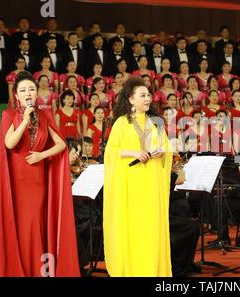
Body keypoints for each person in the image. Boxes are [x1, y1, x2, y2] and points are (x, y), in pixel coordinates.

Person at [0, 71, 79, 276]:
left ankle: (37, 270)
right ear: (16, 95)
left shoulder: (45, 115)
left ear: (37, 92)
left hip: (38, 177)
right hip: (17, 179)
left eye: (31, 89)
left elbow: (61, 144)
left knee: (37, 223)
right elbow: (9, 144)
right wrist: (24, 120)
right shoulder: (9, 115)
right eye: (23, 90)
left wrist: (42, 155)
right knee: (20, 224)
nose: (27, 92)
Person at [103, 77, 173, 276]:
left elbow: (166, 148)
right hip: (131, 186)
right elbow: (110, 154)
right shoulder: (120, 124)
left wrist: (162, 152)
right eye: (142, 95)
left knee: (151, 231)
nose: (147, 98)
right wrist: (133, 153)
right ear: (131, 99)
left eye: (148, 94)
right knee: (134, 229)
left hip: (151, 183)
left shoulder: (156, 123)